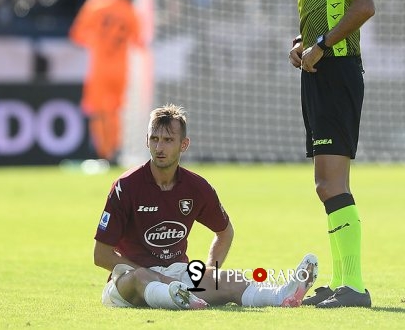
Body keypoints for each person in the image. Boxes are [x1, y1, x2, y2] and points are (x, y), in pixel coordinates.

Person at [93, 104, 319, 309]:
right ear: (147, 141)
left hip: (178, 274)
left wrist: (210, 270)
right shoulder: (126, 186)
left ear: (184, 144)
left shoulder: (197, 187)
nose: (159, 147)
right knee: (143, 277)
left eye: (168, 140)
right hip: (129, 278)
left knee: (232, 279)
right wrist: (157, 276)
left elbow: (224, 232)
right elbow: (101, 255)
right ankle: (176, 297)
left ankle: (282, 296)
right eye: (155, 139)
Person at [286, 0, 376, 308]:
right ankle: (343, 281)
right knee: (326, 184)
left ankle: (354, 285)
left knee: (331, 183)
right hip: (321, 72)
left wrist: (321, 45)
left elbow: (364, 6)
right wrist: (305, 43)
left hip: (336, 72)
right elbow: (331, 14)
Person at [69, 0, 143, 164]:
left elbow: (77, 34)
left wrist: (97, 41)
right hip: (120, 69)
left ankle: (104, 153)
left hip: (100, 68)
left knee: (98, 111)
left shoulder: (95, 5)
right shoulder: (130, 11)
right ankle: (115, 150)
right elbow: (138, 41)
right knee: (115, 111)